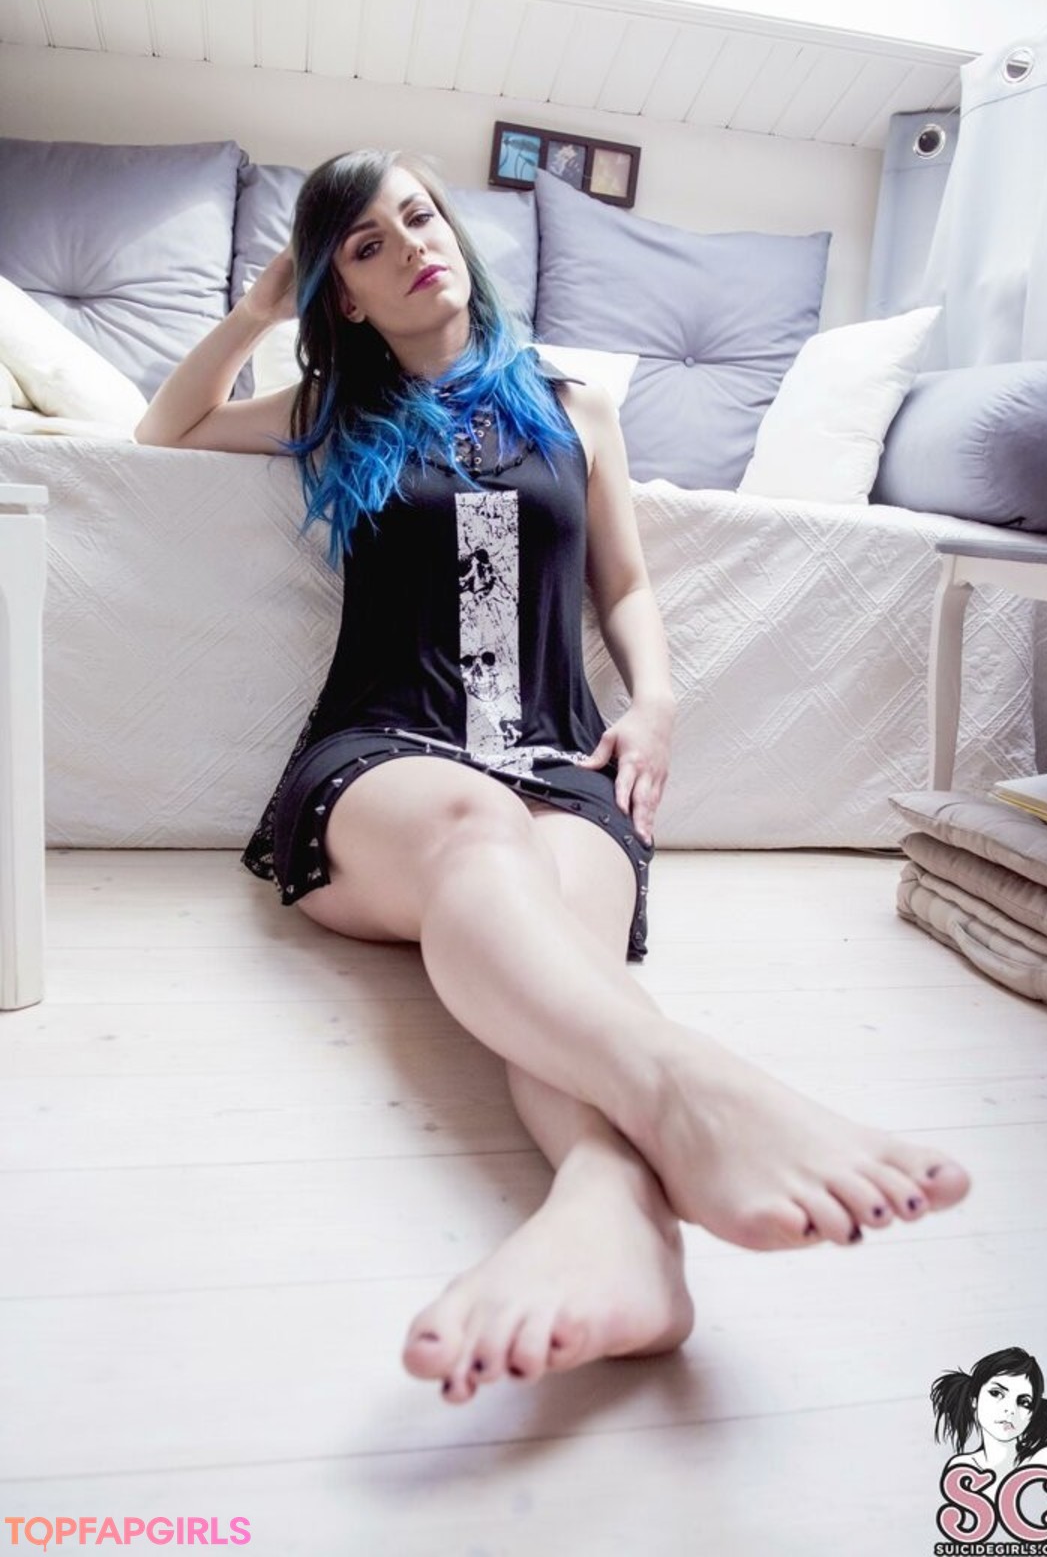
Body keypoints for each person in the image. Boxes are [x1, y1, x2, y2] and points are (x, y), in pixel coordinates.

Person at [136, 148, 971, 1407]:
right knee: (481, 832)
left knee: (557, 944)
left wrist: (658, 702)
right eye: (366, 246)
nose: (412, 245)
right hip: (388, 757)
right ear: (344, 295)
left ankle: (613, 1226)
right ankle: (699, 1091)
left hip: (560, 758)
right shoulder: (334, 409)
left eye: (420, 216)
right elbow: (168, 429)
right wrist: (260, 311)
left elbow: (622, 584)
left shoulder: (575, 408)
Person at [932, 1348, 1047, 1504]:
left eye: (1024, 1402)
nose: (1010, 1410)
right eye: (996, 1393)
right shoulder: (962, 1469)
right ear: (974, 1399)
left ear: (1033, 1413)